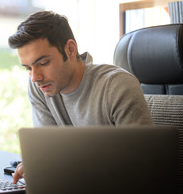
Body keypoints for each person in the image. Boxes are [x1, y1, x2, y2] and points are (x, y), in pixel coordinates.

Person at [8, 11, 154, 183]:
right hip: (72, 192)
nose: (35, 77)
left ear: (70, 49)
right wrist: (37, 164)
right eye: (28, 68)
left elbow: (144, 167)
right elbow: (49, 154)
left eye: (43, 63)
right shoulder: (39, 86)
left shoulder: (117, 86)